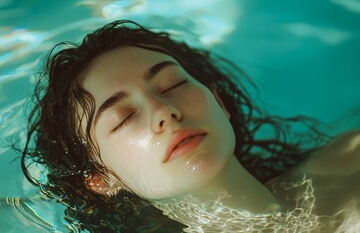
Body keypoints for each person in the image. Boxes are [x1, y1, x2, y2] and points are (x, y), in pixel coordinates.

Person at [21, 20, 359, 232]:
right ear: (100, 180)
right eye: (124, 118)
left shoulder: (350, 160)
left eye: (172, 86)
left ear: (220, 103)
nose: (164, 111)